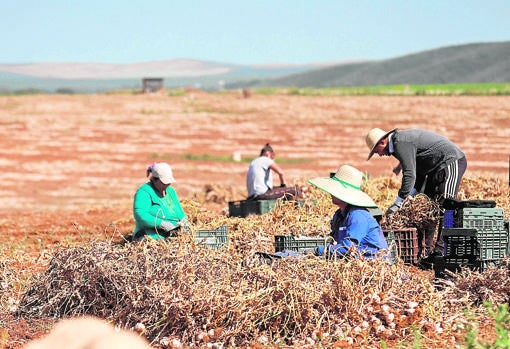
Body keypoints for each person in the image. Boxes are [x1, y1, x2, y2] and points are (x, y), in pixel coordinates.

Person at [365, 127, 467, 260]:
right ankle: (427, 250)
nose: (378, 154)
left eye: (376, 151)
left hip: (450, 161)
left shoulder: (400, 142)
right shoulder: (398, 145)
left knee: (446, 205)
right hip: (434, 168)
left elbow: (409, 174)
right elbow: (418, 172)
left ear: (382, 142)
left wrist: (398, 202)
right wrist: (412, 194)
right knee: (430, 207)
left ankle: (441, 250)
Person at [308, 165, 389, 259]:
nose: (331, 193)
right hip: (353, 262)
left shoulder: (358, 215)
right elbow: (337, 244)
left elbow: (347, 248)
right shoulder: (339, 215)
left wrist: (320, 251)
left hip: (373, 265)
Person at [132, 162, 188, 241]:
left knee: (207, 237)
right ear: (154, 179)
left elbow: (179, 212)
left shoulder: (171, 192)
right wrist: (161, 224)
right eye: (164, 183)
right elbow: (140, 215)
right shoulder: (144, 192)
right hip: (151, 235)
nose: (167, 185)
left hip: (174, 233)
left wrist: (185, 221)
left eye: (169, 182)